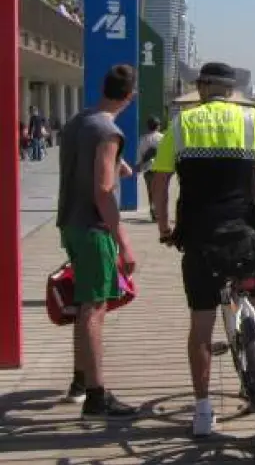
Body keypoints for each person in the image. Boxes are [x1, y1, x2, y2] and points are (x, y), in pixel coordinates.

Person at [150, 62, 255, 437]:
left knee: (201, 325)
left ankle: (203, 411)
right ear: (232, 91)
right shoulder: (252, 120)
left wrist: (164, 226)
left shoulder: (182, 124)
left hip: (200, 238)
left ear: (202, 88)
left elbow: (160, 181)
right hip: (246, 234)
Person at [55, 65, 139, 418]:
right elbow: (103, 191)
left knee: (84, 303)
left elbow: (88, 164)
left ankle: (80, 381)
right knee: (94, 308)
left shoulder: (79, 121)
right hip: (94, 228)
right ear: (130, 96)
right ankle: (96, 394)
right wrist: (124, 242)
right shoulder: (109, 131)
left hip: (70, 223)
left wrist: (119, 164)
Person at [137, 117, 164, 221]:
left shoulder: (143, 139)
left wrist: (138, 166)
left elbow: (139, 154)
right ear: (158, 126)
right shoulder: (163, 137)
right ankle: (160, 212)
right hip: (161, 168)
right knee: (161, 191)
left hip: (147, 169)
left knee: (151, 191)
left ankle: (153, 212)